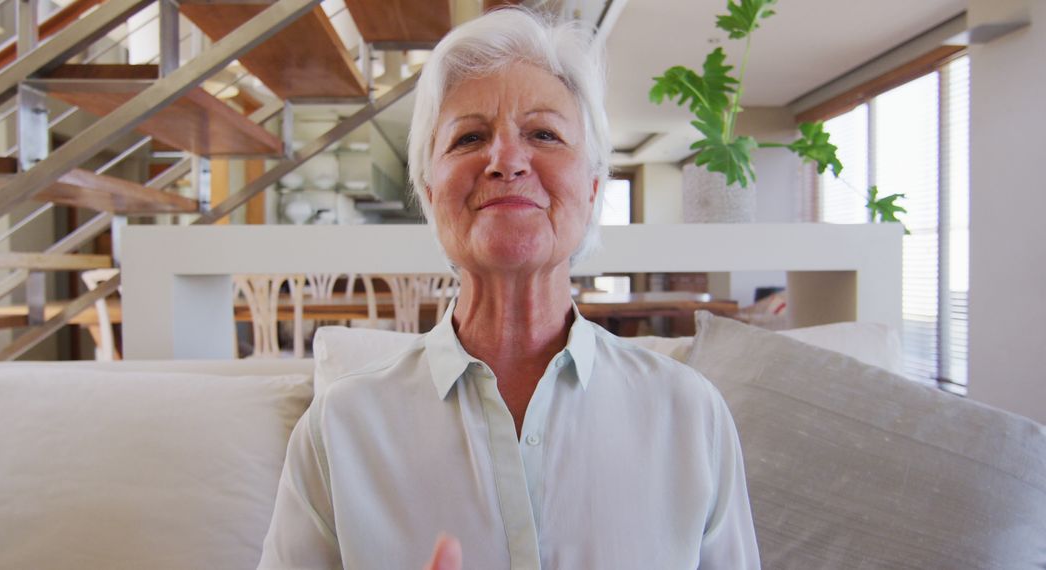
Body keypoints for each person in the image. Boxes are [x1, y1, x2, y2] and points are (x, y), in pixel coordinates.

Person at [258, 7, 760, 569]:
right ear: (430, 192)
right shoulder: (338, 430)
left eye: (544, 133)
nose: (505, 160)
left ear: (593, 189)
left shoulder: (689, 416)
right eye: (469, 137)